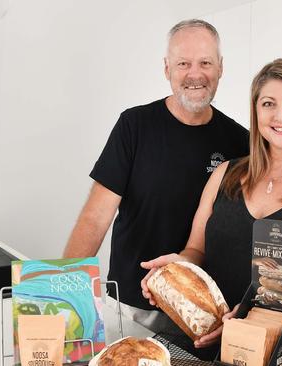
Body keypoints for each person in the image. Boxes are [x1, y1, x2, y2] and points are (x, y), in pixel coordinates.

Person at [141, 58, 282, 365]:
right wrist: (173, 271)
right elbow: (195, 250)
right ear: (256, 111)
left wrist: (254, 312)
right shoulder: (224, 175)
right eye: (268, 103)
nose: (280, 115)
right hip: (208, 349)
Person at [62, 19, 249, 332]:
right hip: (133, 306)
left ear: (220, 68)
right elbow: (95, 219)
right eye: (183, 63)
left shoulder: (240, 142)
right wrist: (60, 292)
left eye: (205, 62)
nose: (195, 74)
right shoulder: (134, 126)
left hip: (203, 313)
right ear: (167, 69)